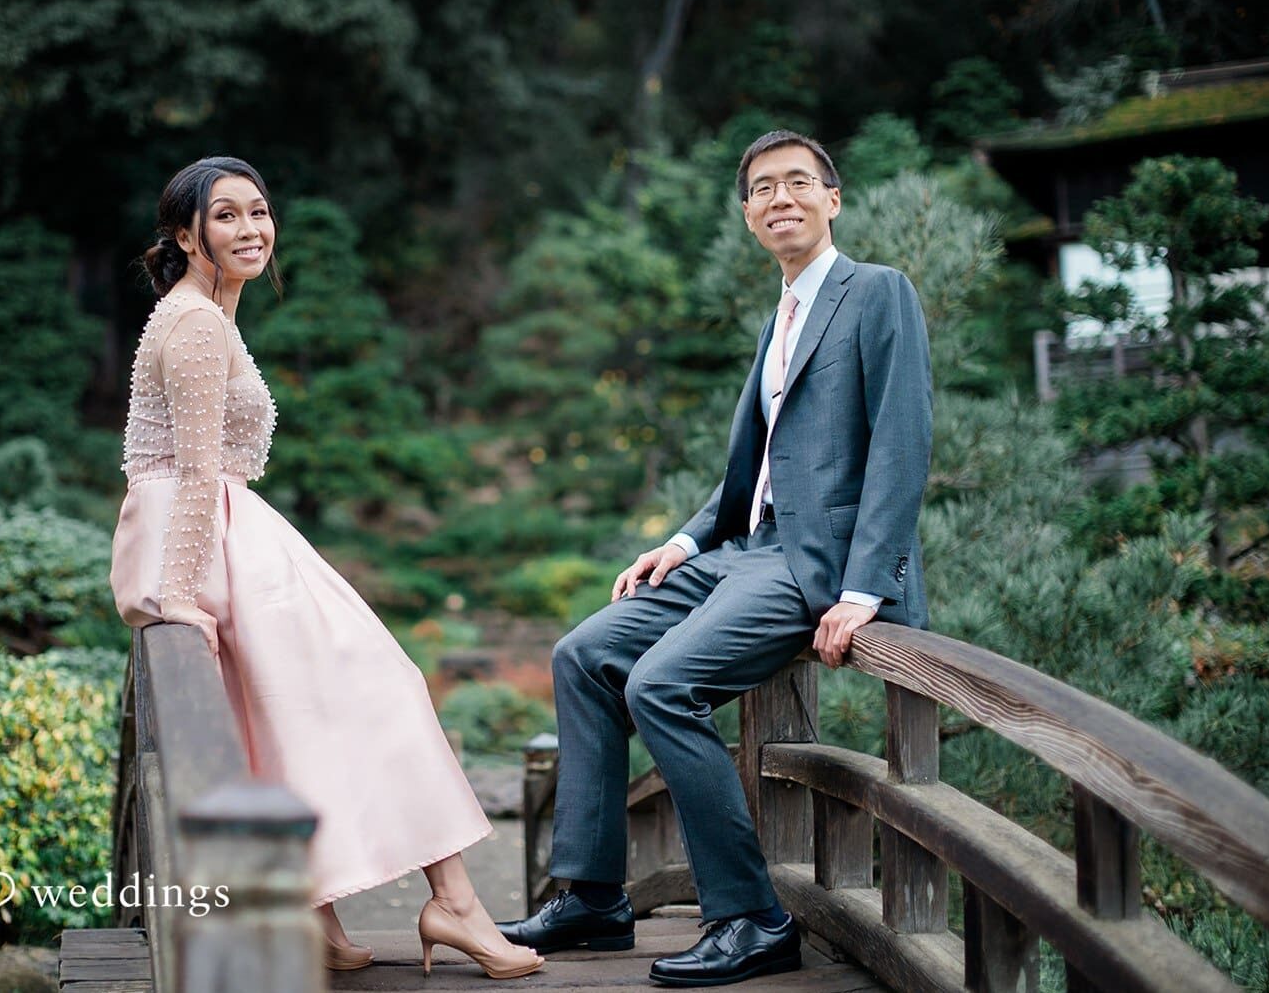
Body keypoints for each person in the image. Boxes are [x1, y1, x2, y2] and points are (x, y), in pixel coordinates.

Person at [497, 130, 933, 988]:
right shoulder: (779, 317)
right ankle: (590, 897)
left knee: (660, 684)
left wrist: (861, 589)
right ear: (746, 214)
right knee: (584, 656)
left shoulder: (875, 293)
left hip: (812, 565)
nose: (780, 198)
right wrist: (684, 540)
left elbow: (900, 444)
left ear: (832, 199)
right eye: (763, 188)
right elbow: (752, 469)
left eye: (798, 183)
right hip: (742, 550)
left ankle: (751, 917)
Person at [109, 156, 541, 981]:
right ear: (183, 235)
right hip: (206, 532)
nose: (250, 230)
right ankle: (450, 902)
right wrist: (176, 591)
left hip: (216, 528)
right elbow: (197, 471)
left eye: (259, 212)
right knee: (379, 684)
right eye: (226, 216)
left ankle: (318, 914)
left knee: (279, 711)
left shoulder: (205, 312)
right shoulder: (195, 323)